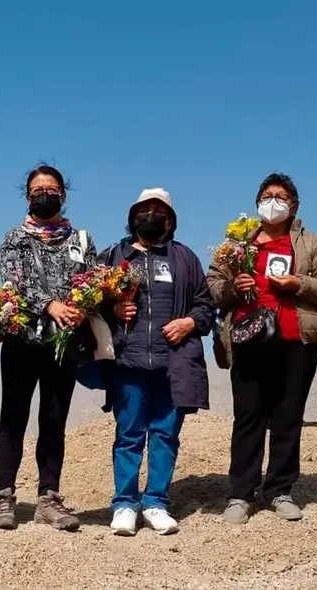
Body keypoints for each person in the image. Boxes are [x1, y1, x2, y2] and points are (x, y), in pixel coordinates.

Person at [206, 173, 317, 525]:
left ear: (294, 205)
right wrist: (236, 287)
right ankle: (241, 493)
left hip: (295, 340)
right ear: (256, 203)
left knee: (287, 417)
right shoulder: (236, 244)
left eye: (281, 196)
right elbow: (214, 289)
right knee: (248, 416)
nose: (273, 201)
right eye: (266, 195)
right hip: (248, 338)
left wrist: (300, 283)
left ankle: (280, 489)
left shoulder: (309, 243)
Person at [99, 189, 215, 536]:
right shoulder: (114, 256)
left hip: (173, 364)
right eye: (144, 210)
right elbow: (91, 305)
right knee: (129, 434)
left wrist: (190, 323)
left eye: (159, 211)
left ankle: (156, 502)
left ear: (171, 220)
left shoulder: (184, 258)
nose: (151, 215)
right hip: (128, 362)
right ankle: (124, 503)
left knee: (165, 434)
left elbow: (206, 306)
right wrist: (113, 309)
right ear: (133, 216)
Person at [0, 163, 97, 532]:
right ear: (28, 197)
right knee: (13, 418)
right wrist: (50, 305)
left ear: (63, 196)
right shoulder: (13, 238)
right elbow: (14, 283)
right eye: (38, 190)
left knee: (53, 421)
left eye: (51, 190)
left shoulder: (81, 240)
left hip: (62, 345)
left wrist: (83, 305)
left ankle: (48, 499)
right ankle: (4, 494)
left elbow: (92, 280)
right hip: (23, 341)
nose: (45, 195)